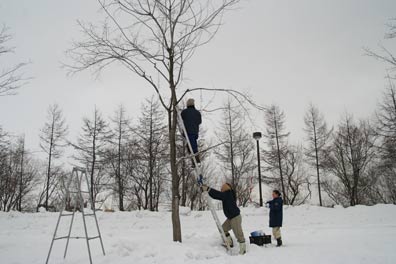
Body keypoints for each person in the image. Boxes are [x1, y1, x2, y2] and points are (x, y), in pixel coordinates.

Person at [201, 183, 246, 255]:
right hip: (230, 218)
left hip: (235, 217)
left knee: (238, 234)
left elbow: (217, 195)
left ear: (225, 188)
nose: (221, 189)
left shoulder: (228, 194)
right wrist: (207, 189)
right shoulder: (227, 195)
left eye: (222, 188)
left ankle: (243, 249)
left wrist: (208, 189)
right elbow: (218, 195)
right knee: (222, 229)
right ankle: (229, 242)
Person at [181, 98, 202, 166]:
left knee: (192, 146)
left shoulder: (184, 112)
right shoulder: (197, 113)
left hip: (188, 132)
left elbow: (181, 118)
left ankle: (197, 161)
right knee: (190, 146)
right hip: (195, 132)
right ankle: (194, 161)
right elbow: (199, 122)